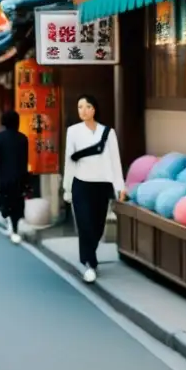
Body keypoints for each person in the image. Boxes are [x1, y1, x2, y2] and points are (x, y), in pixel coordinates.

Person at [62, 94, 124, 284]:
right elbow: (69, 161)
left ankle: (90, 254)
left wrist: (119, 186)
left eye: (87, 106)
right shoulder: (72, 132)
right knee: (85, 224)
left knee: (97, 226)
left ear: (94, 109)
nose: (83, 110)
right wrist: (67, 187)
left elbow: (115, 160)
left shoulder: (108, 133)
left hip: (102, 185)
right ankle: (89, 262)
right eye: (80, 107)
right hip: (81, 184)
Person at [0, 110, 29, 244]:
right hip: (20, 176)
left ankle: (9, 222)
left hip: (5, 175)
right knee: (17, 202)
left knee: (5, 202)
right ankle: (14, 226)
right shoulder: (23, 138)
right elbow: (25, 158)